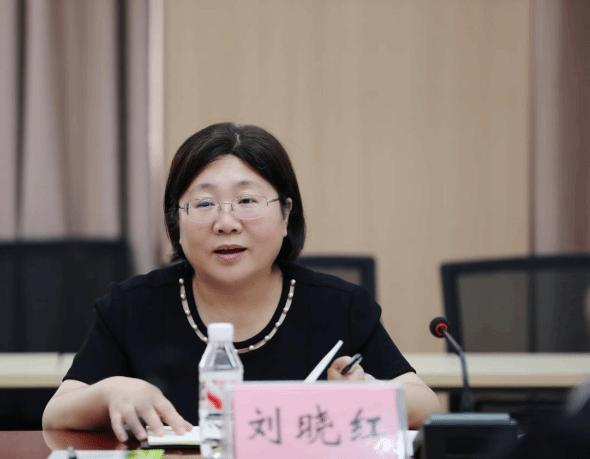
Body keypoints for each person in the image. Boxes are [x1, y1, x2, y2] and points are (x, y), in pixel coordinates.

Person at [42, 122, 440, 442]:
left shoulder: (340, 307)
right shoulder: (131, 306)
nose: (226, 222)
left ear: (286, 214)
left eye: (248, 201)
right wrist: (110, 390)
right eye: (204, 203)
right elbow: (56, 415)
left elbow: (426, 406)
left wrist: (367, 393)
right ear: (176, 221)